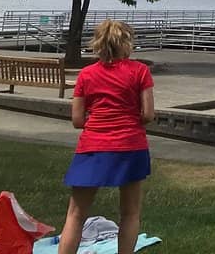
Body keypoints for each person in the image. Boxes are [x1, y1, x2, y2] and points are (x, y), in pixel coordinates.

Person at [57, 20, 155, 254]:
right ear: (127, 43)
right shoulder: (140, 71)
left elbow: (77, 120)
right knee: (130, 213)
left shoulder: (87, 74)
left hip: (92, 146)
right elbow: (148, 114)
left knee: (76, 214)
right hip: (130, 145)